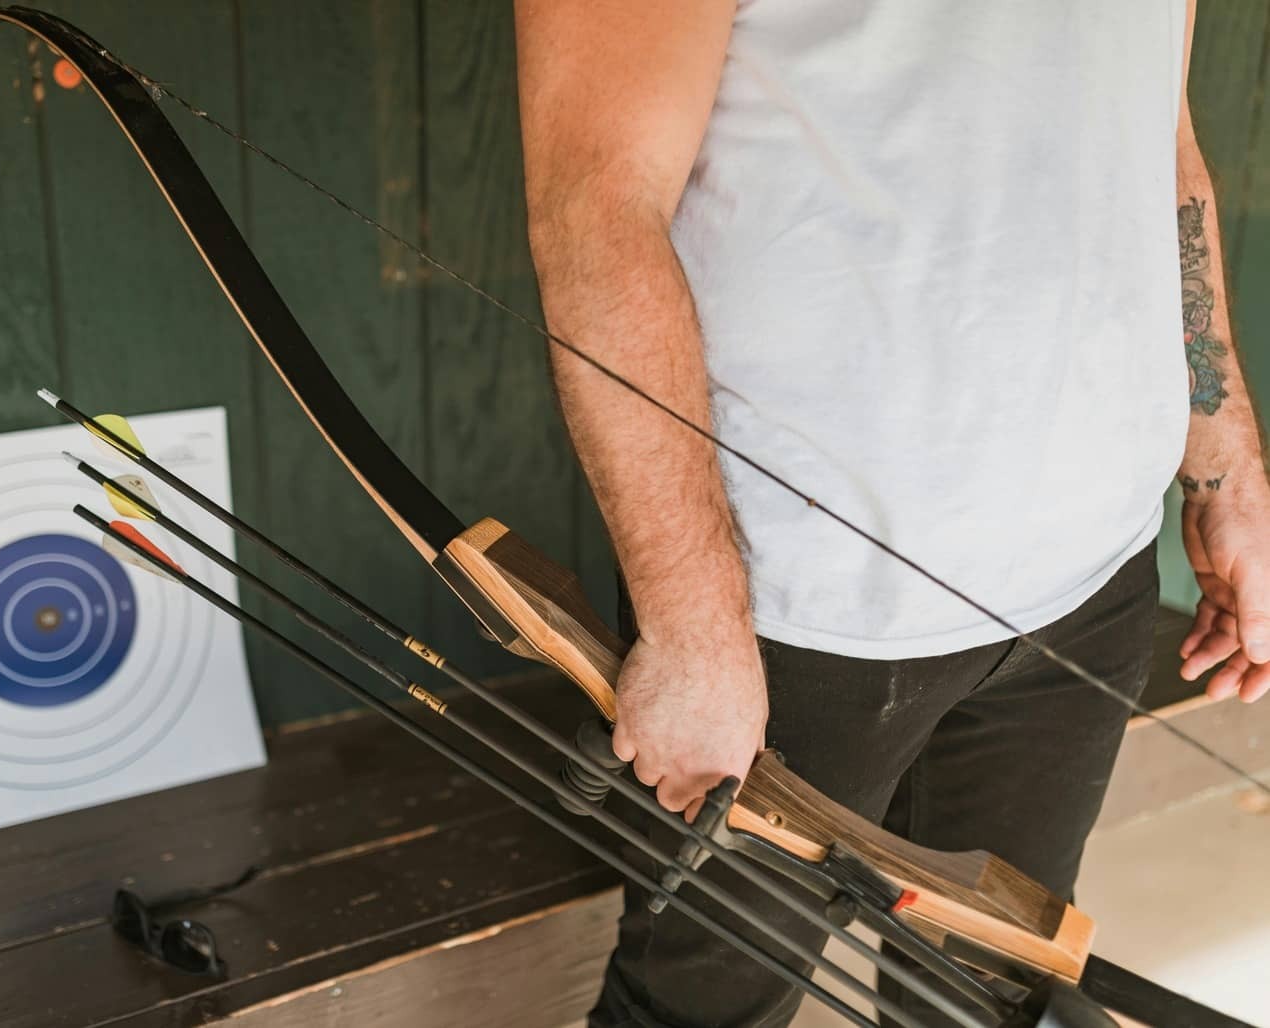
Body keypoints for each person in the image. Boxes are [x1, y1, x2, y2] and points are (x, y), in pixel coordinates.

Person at [513, 1, 1270, 1024]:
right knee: (696, 1011)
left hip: (1093, 563)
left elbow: (1155, 130)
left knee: (993, 997)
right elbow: (596, 205)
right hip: (795, 604)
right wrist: (693, 625)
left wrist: (1224, 464)